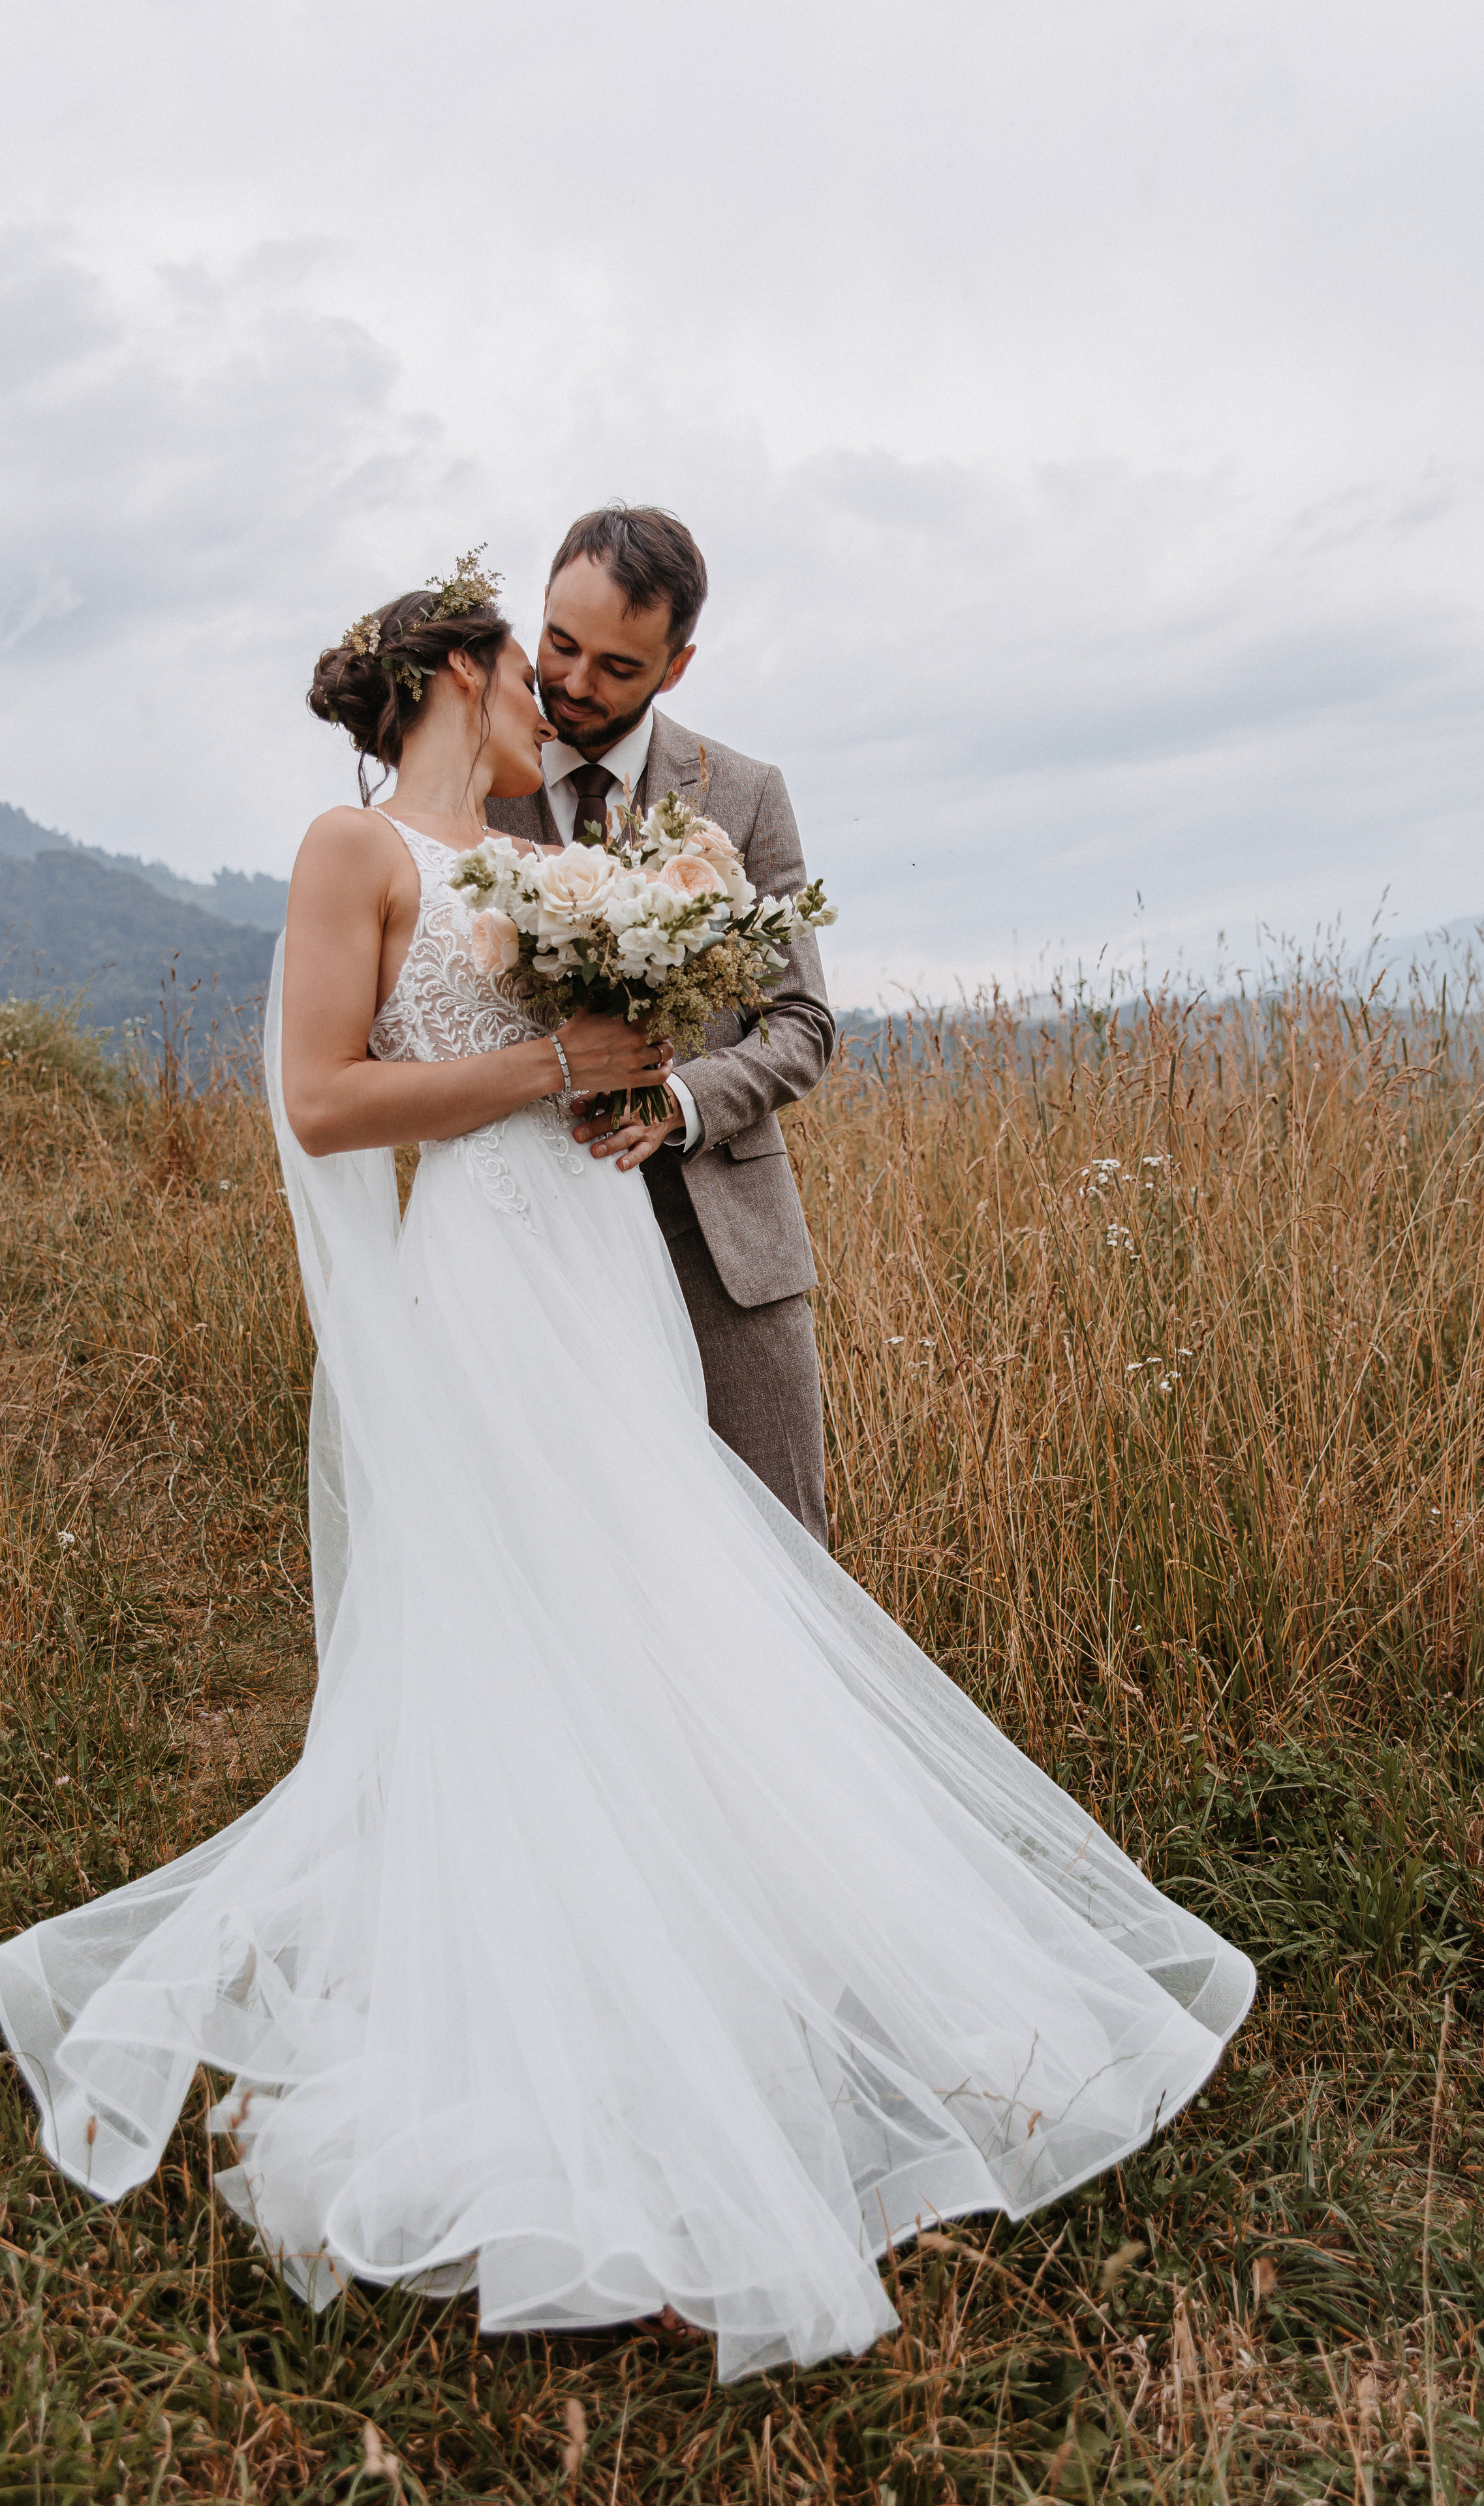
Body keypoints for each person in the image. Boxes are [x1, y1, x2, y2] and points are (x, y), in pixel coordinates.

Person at [0, 559, 1253, 2385]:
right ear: (450, 673)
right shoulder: (354, 853)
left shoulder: (533, 857)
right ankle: (570, 2110)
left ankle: (723, 2026)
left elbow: (717, 1028)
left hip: (606, 1284)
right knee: (530, 1650)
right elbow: (328, 1097)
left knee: (656, 1631)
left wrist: (634, 1063)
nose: (550, 691)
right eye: (523, 658)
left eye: (582, 663)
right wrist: (545, 1064)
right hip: (488, 1294)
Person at [486, 506, 833, 1543]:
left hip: (723, 1252)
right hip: (532, 1244)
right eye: (559, 644)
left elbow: (803, 1023)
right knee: (578, 1558)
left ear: (676, 669)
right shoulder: (469, 796)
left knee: (782, 1556)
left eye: (618, 666)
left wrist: (681, 1100)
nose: (576, 683)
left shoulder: (746, 795)